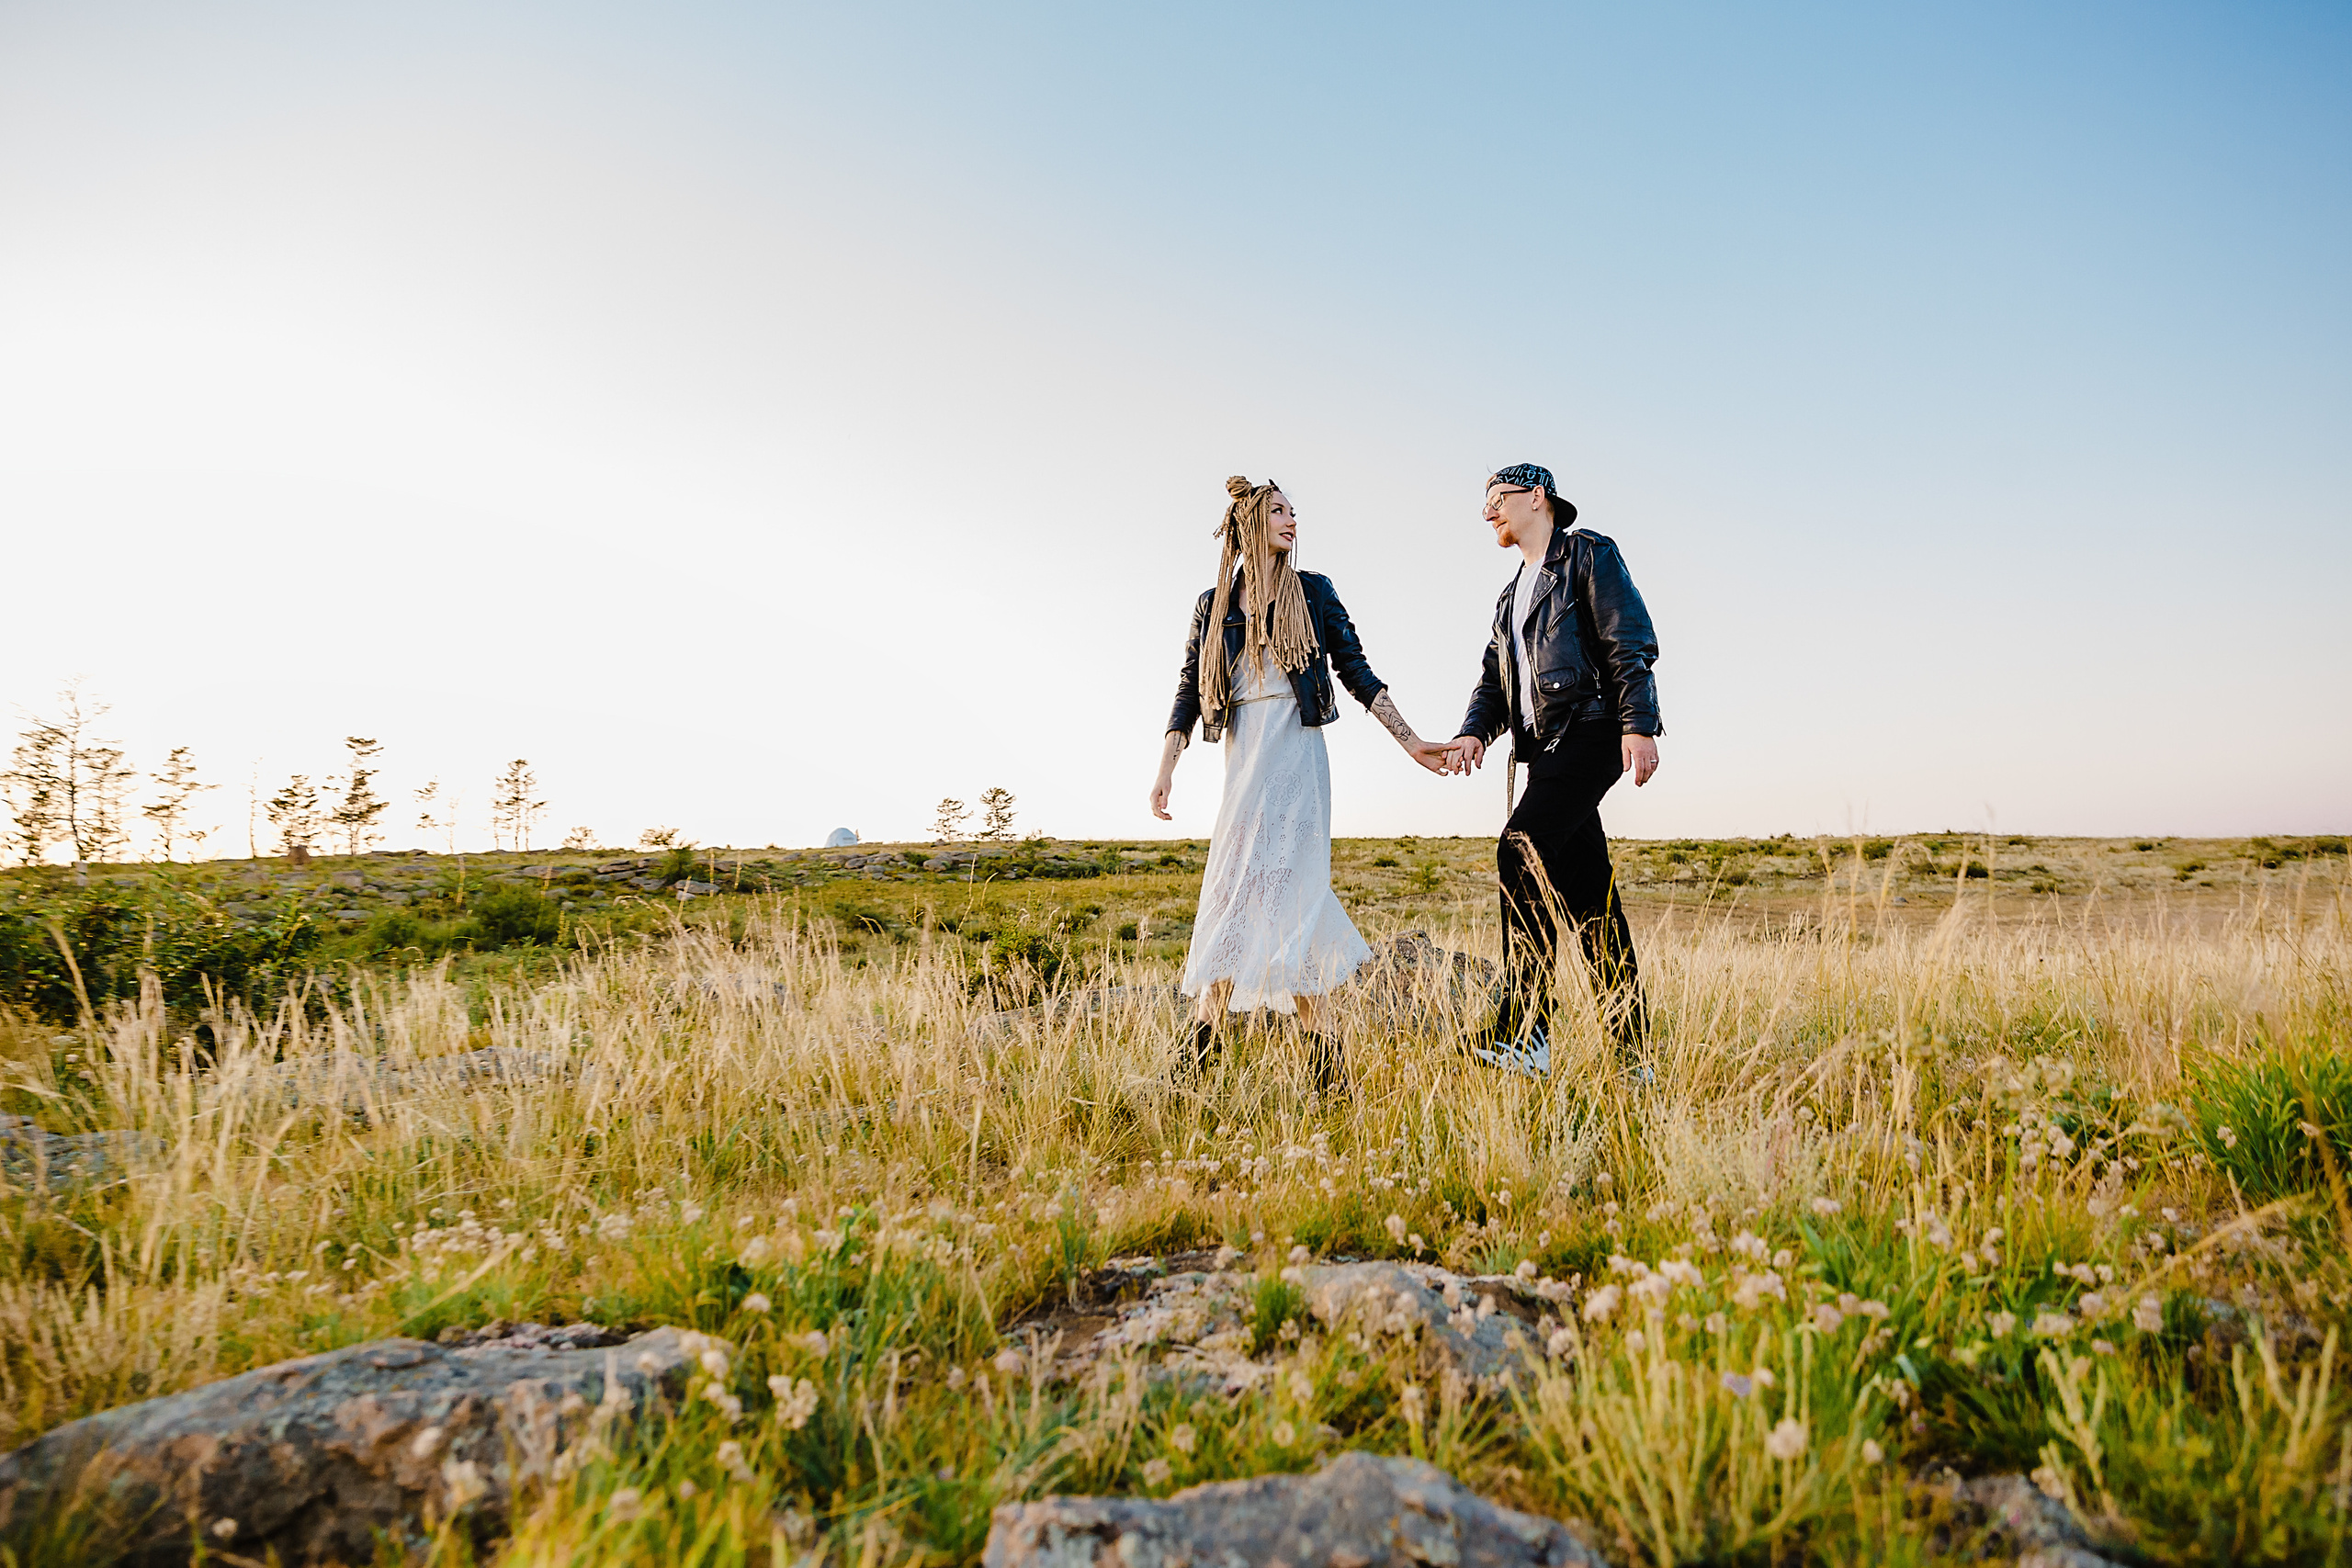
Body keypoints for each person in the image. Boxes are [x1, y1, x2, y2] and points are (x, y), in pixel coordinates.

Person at [1153, 476, 1453, 1092]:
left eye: (1295, 512)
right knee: (1231, 894)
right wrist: (1167, 767)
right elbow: (1189, 688)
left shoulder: (1313, 593)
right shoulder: (1213, 606)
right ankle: (1214, 1060)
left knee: (1288, 897)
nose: (1293, 521)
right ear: (1250, 525)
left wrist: (1412, 740)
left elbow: (1356, 670)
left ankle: (1312, 1068)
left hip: (1295, 759)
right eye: (1280, 512)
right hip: (1244, 762)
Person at [1446, 463, 1661, 1077]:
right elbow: (1495, 681)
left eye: (1496, 498)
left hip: (1593, 728)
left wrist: (1637, 723)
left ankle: (1527, 1030)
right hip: (1545, 752)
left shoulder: (1588, 553)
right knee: (1592, 903)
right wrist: (1472, 732)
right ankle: (1633, 1056)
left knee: (1518, 850)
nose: (1488, 510)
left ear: (1536, 496)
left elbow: (1630, 639)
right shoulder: (1511, 595)